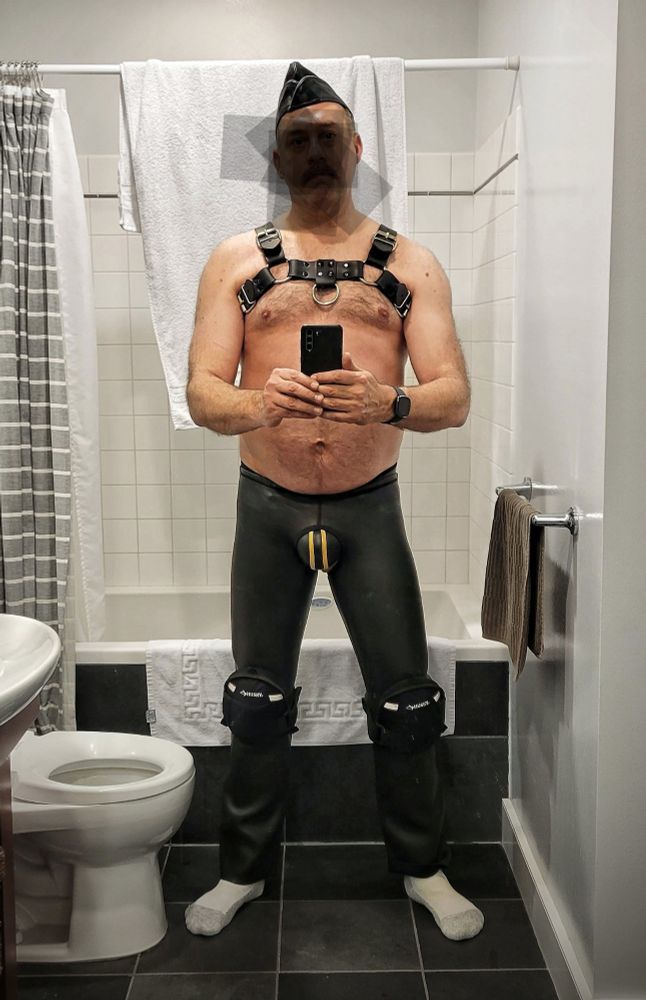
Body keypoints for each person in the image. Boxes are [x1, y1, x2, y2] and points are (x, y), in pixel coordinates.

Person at [184, 61, 483, 942]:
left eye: (328, 138)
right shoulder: (236, 262)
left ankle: (423, 867)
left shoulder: (410, 263)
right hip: (267, 505)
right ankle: (241, 870)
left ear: (355, 149)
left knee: (407, 699)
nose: (314, 153)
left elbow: (453, 396)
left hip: (369, 505)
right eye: (297, 140)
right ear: (277, 156)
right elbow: (203, 393)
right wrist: (259, 403)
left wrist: (388, 401)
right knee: (256, 699)